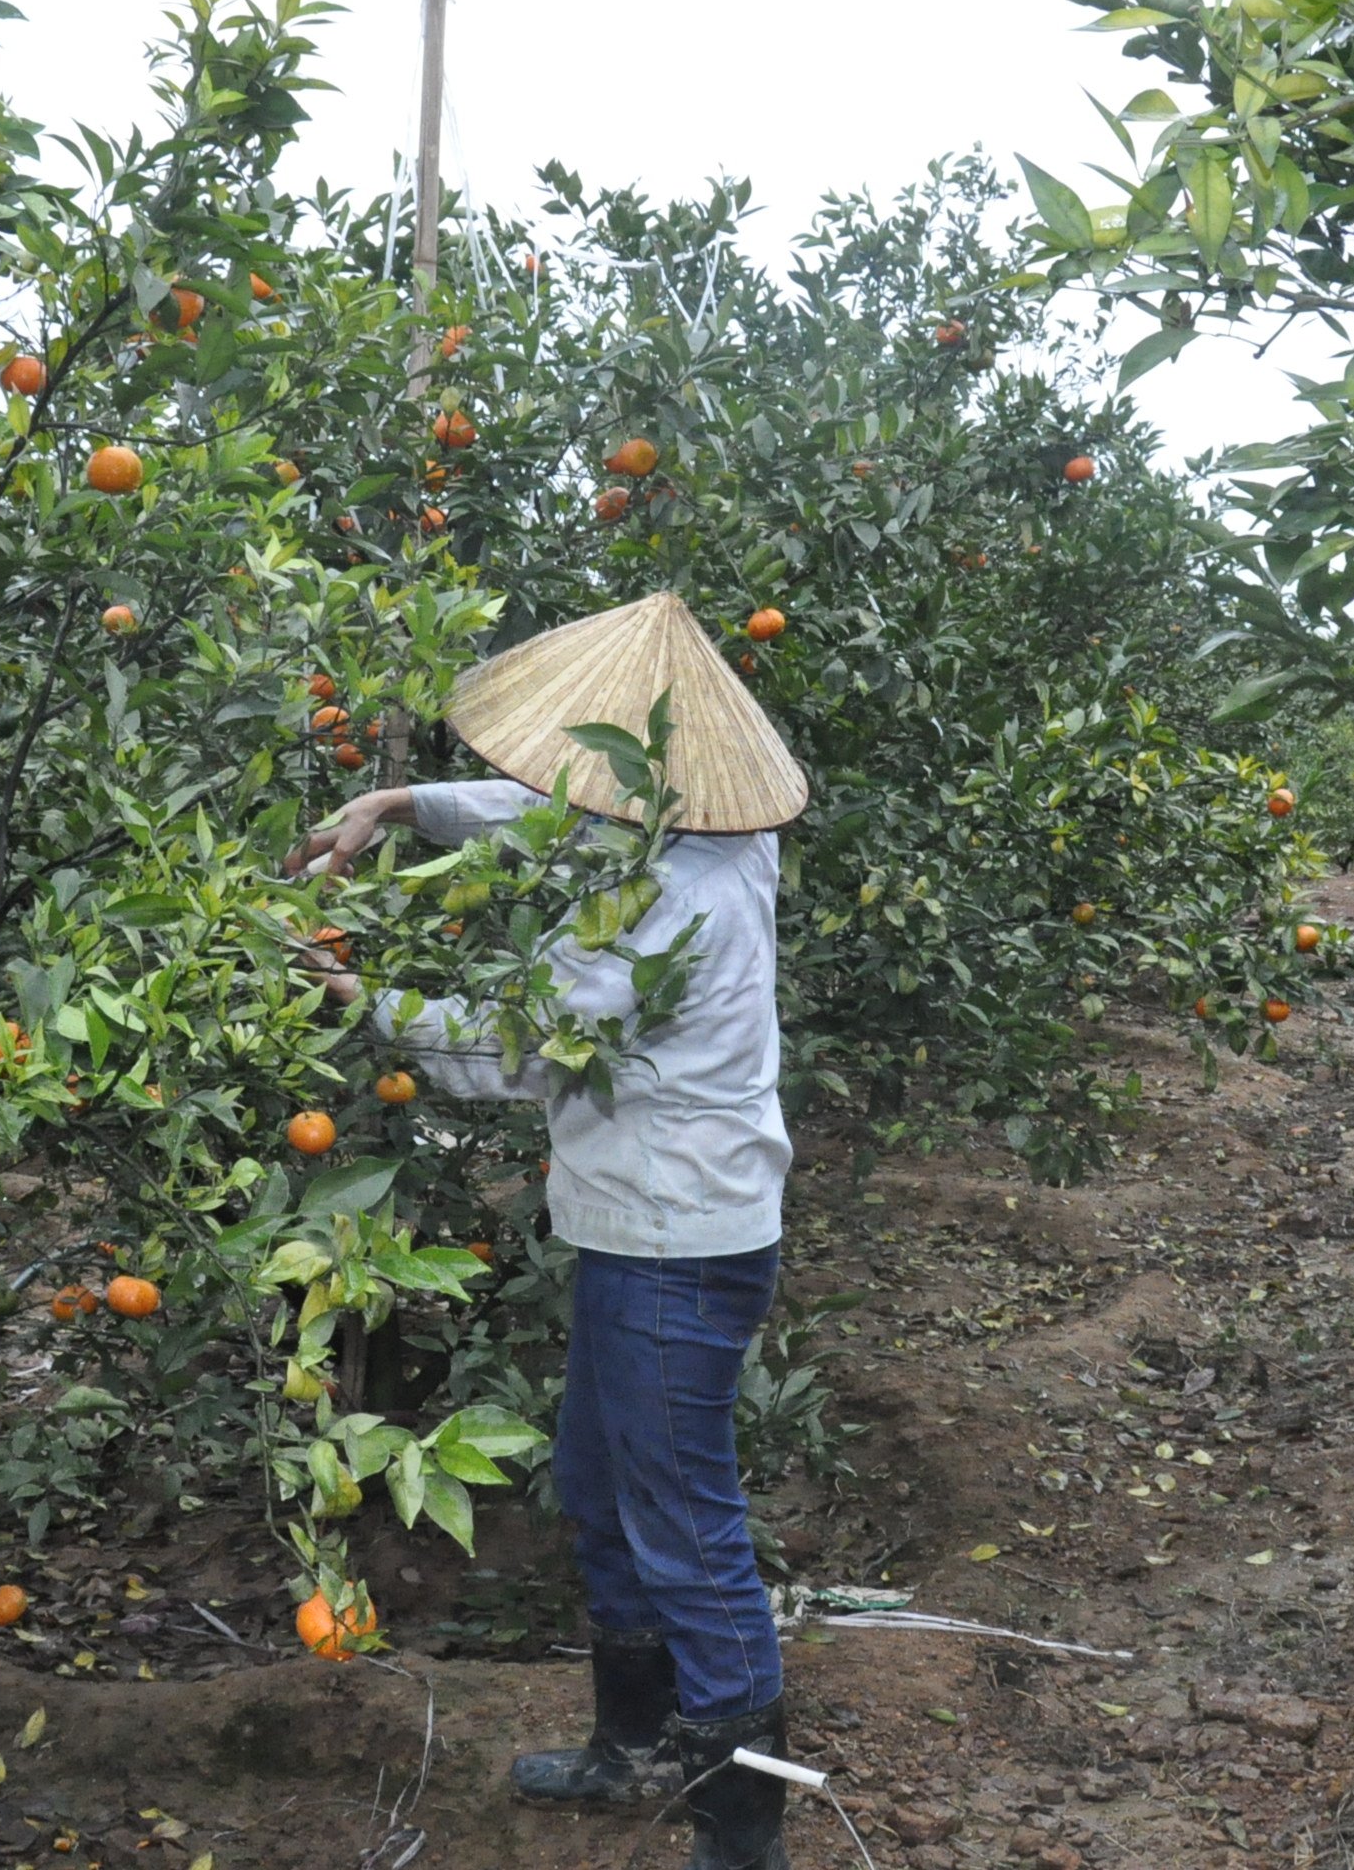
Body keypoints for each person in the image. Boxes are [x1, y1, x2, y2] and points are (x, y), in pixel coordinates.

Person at [287, 589, 808, 1870]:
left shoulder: (679, 904)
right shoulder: (695, 823)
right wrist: (405, 805)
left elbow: (513, 1050)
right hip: (645, 1224)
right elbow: (565, 816)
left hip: (678, 1242)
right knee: (600, 1487)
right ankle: (631, 1744)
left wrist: (360, 995)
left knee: (686, 1524)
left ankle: (745, 1842)